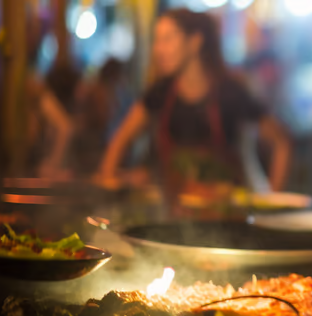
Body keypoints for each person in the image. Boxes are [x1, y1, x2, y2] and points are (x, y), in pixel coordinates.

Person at [97, 9, 291, 201]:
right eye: (156, 41)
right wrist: (107, 187)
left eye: (167, 40)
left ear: (195, 42)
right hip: (173, 214)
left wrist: (274, 201)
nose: (157, 49)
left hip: (228, 214)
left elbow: (281, 143)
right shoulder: (160, 92)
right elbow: (119, 142)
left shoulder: (231, 92)